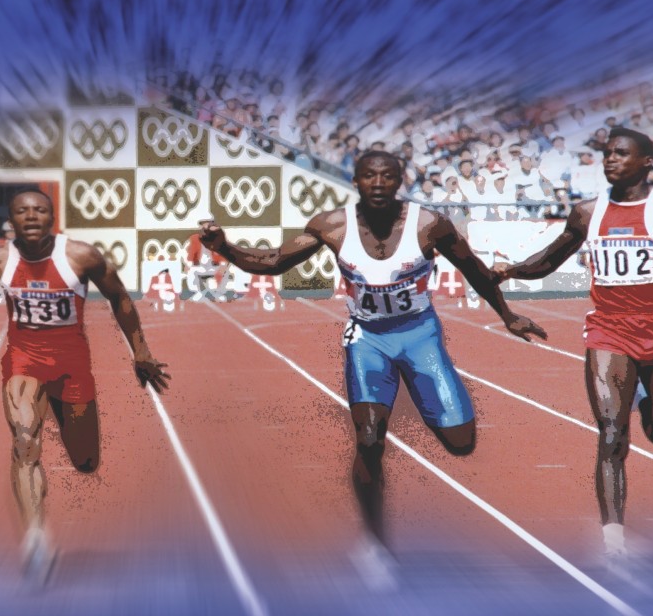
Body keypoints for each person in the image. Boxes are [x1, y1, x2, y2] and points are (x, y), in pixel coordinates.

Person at [200, 151, 545, 584]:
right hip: (368, 340)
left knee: (461, 442)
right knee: (367, 439)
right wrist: (224, 248)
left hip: (420, 336)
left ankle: (441, 402)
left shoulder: (428, 224)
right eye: (369, 176)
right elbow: (272, 262)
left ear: (400, 180)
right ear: (356, 181)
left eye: (387, 176)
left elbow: (472, 269)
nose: (378, 183)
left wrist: (507, 314)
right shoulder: (332, 225)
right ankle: (375, 544)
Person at [0, 189, 169, 583]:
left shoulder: (82, 256)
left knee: (86, 463)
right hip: (24, 361)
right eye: (22, 211)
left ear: (52, 217)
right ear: (11, 219)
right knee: (25, 441)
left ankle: (62, 451)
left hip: (73, 366)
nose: (31, 216)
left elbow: (119, 299)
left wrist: (141, 351)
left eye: (40, 210)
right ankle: (36, 536)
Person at [493, 127, 653, 565]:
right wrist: (512, 270)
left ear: (648, 160)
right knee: (612, 434)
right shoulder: (587, 213)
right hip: (608, 333)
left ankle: (650, 405)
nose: (610, 159)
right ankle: (613, 542)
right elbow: (551, 259)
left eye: (621, 153)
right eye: (607, 153)